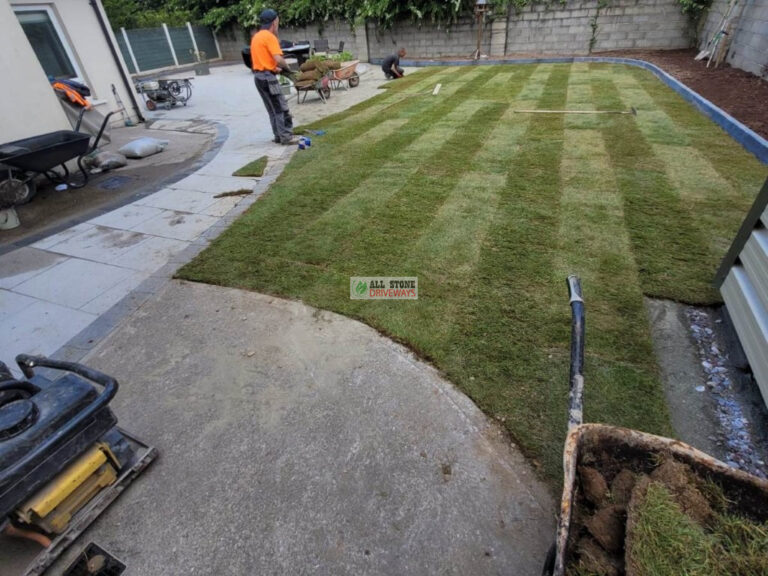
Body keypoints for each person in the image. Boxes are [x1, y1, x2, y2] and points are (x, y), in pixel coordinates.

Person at [251, 9, 298, 145]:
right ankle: (286, 137)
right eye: (278, 21)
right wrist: (286, 68)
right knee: (281, 108)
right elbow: (278, 58)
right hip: (268, 79)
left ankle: (278, 136)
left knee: (271, 109)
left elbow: (263, 61)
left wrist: (274, 69)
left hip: (259, 78)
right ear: (275, 21)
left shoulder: (256, 37)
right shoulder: (269, 37)